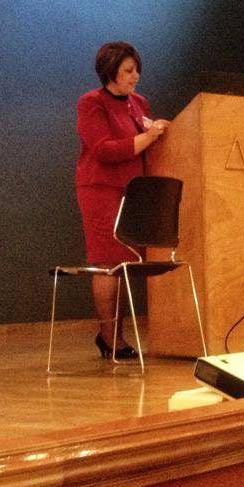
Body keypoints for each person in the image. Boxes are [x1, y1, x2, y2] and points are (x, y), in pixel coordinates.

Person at [75, 41, 170, 359]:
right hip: (100, 189)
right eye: (129, 70)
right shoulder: (91, 103)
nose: (136, 75)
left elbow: (145, 142)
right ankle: (110, 338)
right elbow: (104, 150)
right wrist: (149, 136)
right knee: (108, 263)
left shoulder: (139, 102)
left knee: (126, 263)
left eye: (137, 69)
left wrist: (161, 132)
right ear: (110, 71)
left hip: (134, 191)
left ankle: (117, 336)